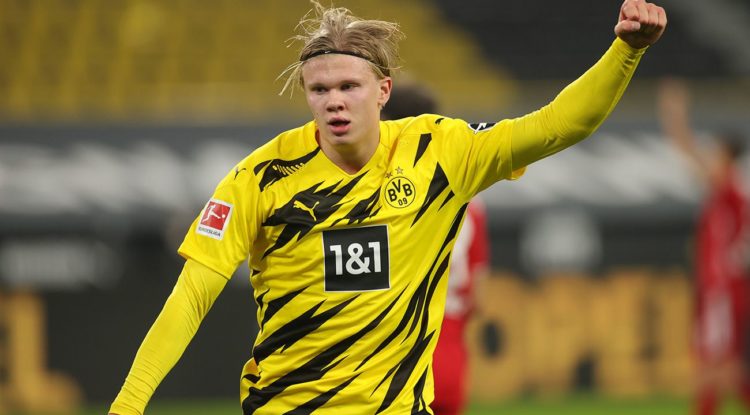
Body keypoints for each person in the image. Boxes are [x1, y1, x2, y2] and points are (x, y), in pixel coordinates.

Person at [109, 1, 666, 413]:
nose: (334, 101)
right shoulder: (260, 177)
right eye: (319, 90)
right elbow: (192, 295)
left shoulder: (439, 152)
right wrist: (128, 405)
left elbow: (558, 126)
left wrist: (626, 52)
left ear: (383, 90)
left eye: (349, 86)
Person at [382, 81, 490, 415]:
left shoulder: (383, 195)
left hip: (394, 358)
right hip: (449, 356)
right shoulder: (470, 200)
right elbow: (480, 296)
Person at [658, 79, 750, 415]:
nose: (710, 157)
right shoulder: (726, 192)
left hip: (722, 290)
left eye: (716, 152)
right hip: (718, 288)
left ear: (727, 157)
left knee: (716, 368)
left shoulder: (730, 187)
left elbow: (688, 151)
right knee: (717, 367)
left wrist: (676, 116)